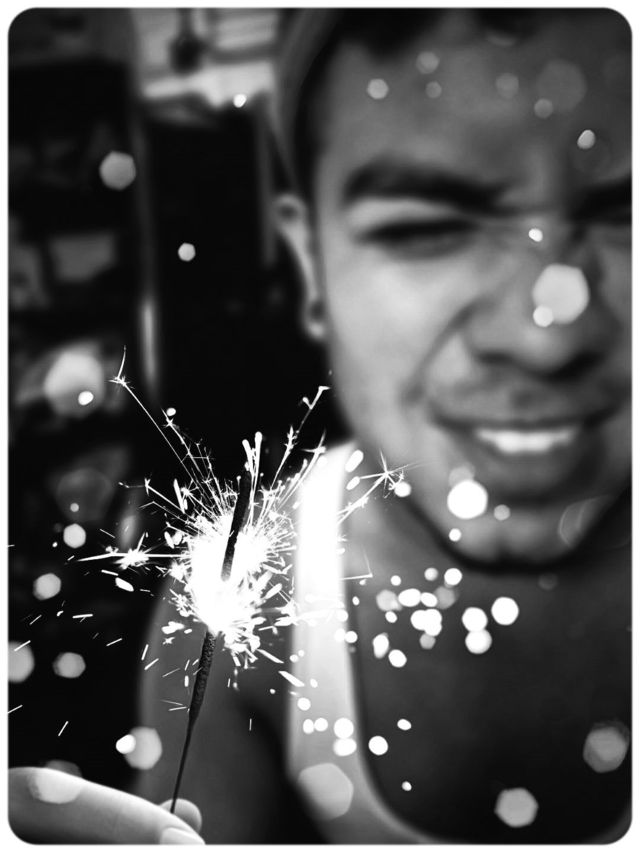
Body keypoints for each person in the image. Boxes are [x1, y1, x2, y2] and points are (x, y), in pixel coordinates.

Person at [9, 7, 631, 844]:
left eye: (628, 214)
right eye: (425, 229)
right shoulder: (247, 585)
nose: (543, 335)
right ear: (312, 265)